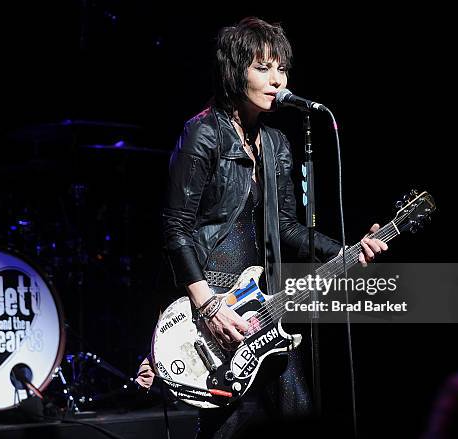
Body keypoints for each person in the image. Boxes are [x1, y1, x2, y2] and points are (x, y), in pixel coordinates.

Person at [137, 17, 388, 438]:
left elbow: (287, 227)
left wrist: (346, 249)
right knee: (229, 423)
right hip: (213, 303)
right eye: (263, 68)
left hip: (263, 305)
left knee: (298, 413)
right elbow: (175, 227)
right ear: (237, 72)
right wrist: (207, 305)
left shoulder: (276, 144)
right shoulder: (202, 134)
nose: (276, 80)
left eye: (282, 69)